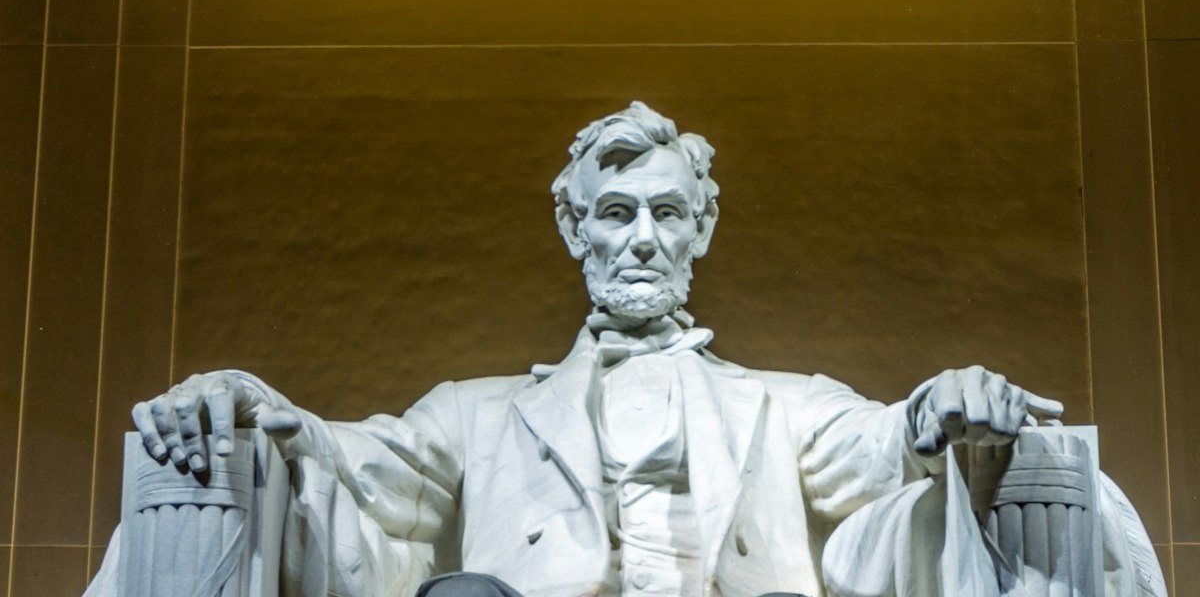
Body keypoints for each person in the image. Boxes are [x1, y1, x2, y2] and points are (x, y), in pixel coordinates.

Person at [100, 102, 1163, 597]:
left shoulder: (783, 403)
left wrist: (942, 407)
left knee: (1025, 470)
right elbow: (349, 460)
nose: (642, 238)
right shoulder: (471, 413)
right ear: (576, 232)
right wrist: (248, 399)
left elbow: (884, 445)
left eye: (665, 212)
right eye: (615, 213)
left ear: (702, 228)